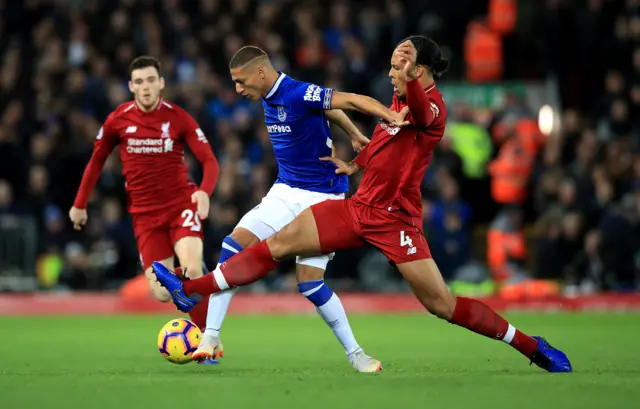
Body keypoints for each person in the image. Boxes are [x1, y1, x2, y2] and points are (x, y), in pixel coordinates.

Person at [154, 37, 572, 373]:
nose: (391, 73)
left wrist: (407, 86)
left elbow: (419, 116)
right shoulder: (394, 105)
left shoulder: (431, 108)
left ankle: (531, 346)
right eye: (392, 67)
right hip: (357, 207)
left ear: (419, 71)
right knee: (276, 245)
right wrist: (354, 163)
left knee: (442, 305)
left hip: (396, 221)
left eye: (399, 67)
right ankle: (190, 290)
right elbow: (383, 148)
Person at [191, 45, 409, 372]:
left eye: (241, 81)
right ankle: (210, 337)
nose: (238, 89)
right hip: (285, 191)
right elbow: (326, 107)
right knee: (232, 247)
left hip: (323, 196)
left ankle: (357, 355)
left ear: (261, 73)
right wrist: (352, 133)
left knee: (309, 284)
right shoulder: (268, 94)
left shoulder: (295, 92)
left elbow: (347, 99)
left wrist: (387, 116)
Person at [70, 56, 219, 359]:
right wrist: (79, 204)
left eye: (151, 80)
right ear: (131, 86)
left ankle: (208, 341)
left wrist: (204, 192)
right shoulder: (118, 119)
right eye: (139, 81)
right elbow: (97, 159)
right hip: (145, 216)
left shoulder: (178, 118)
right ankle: (196, 280)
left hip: (181, 204)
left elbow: (209, 160)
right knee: (162, 293)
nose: (146, 87)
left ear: (161, 83)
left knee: (189, 267)